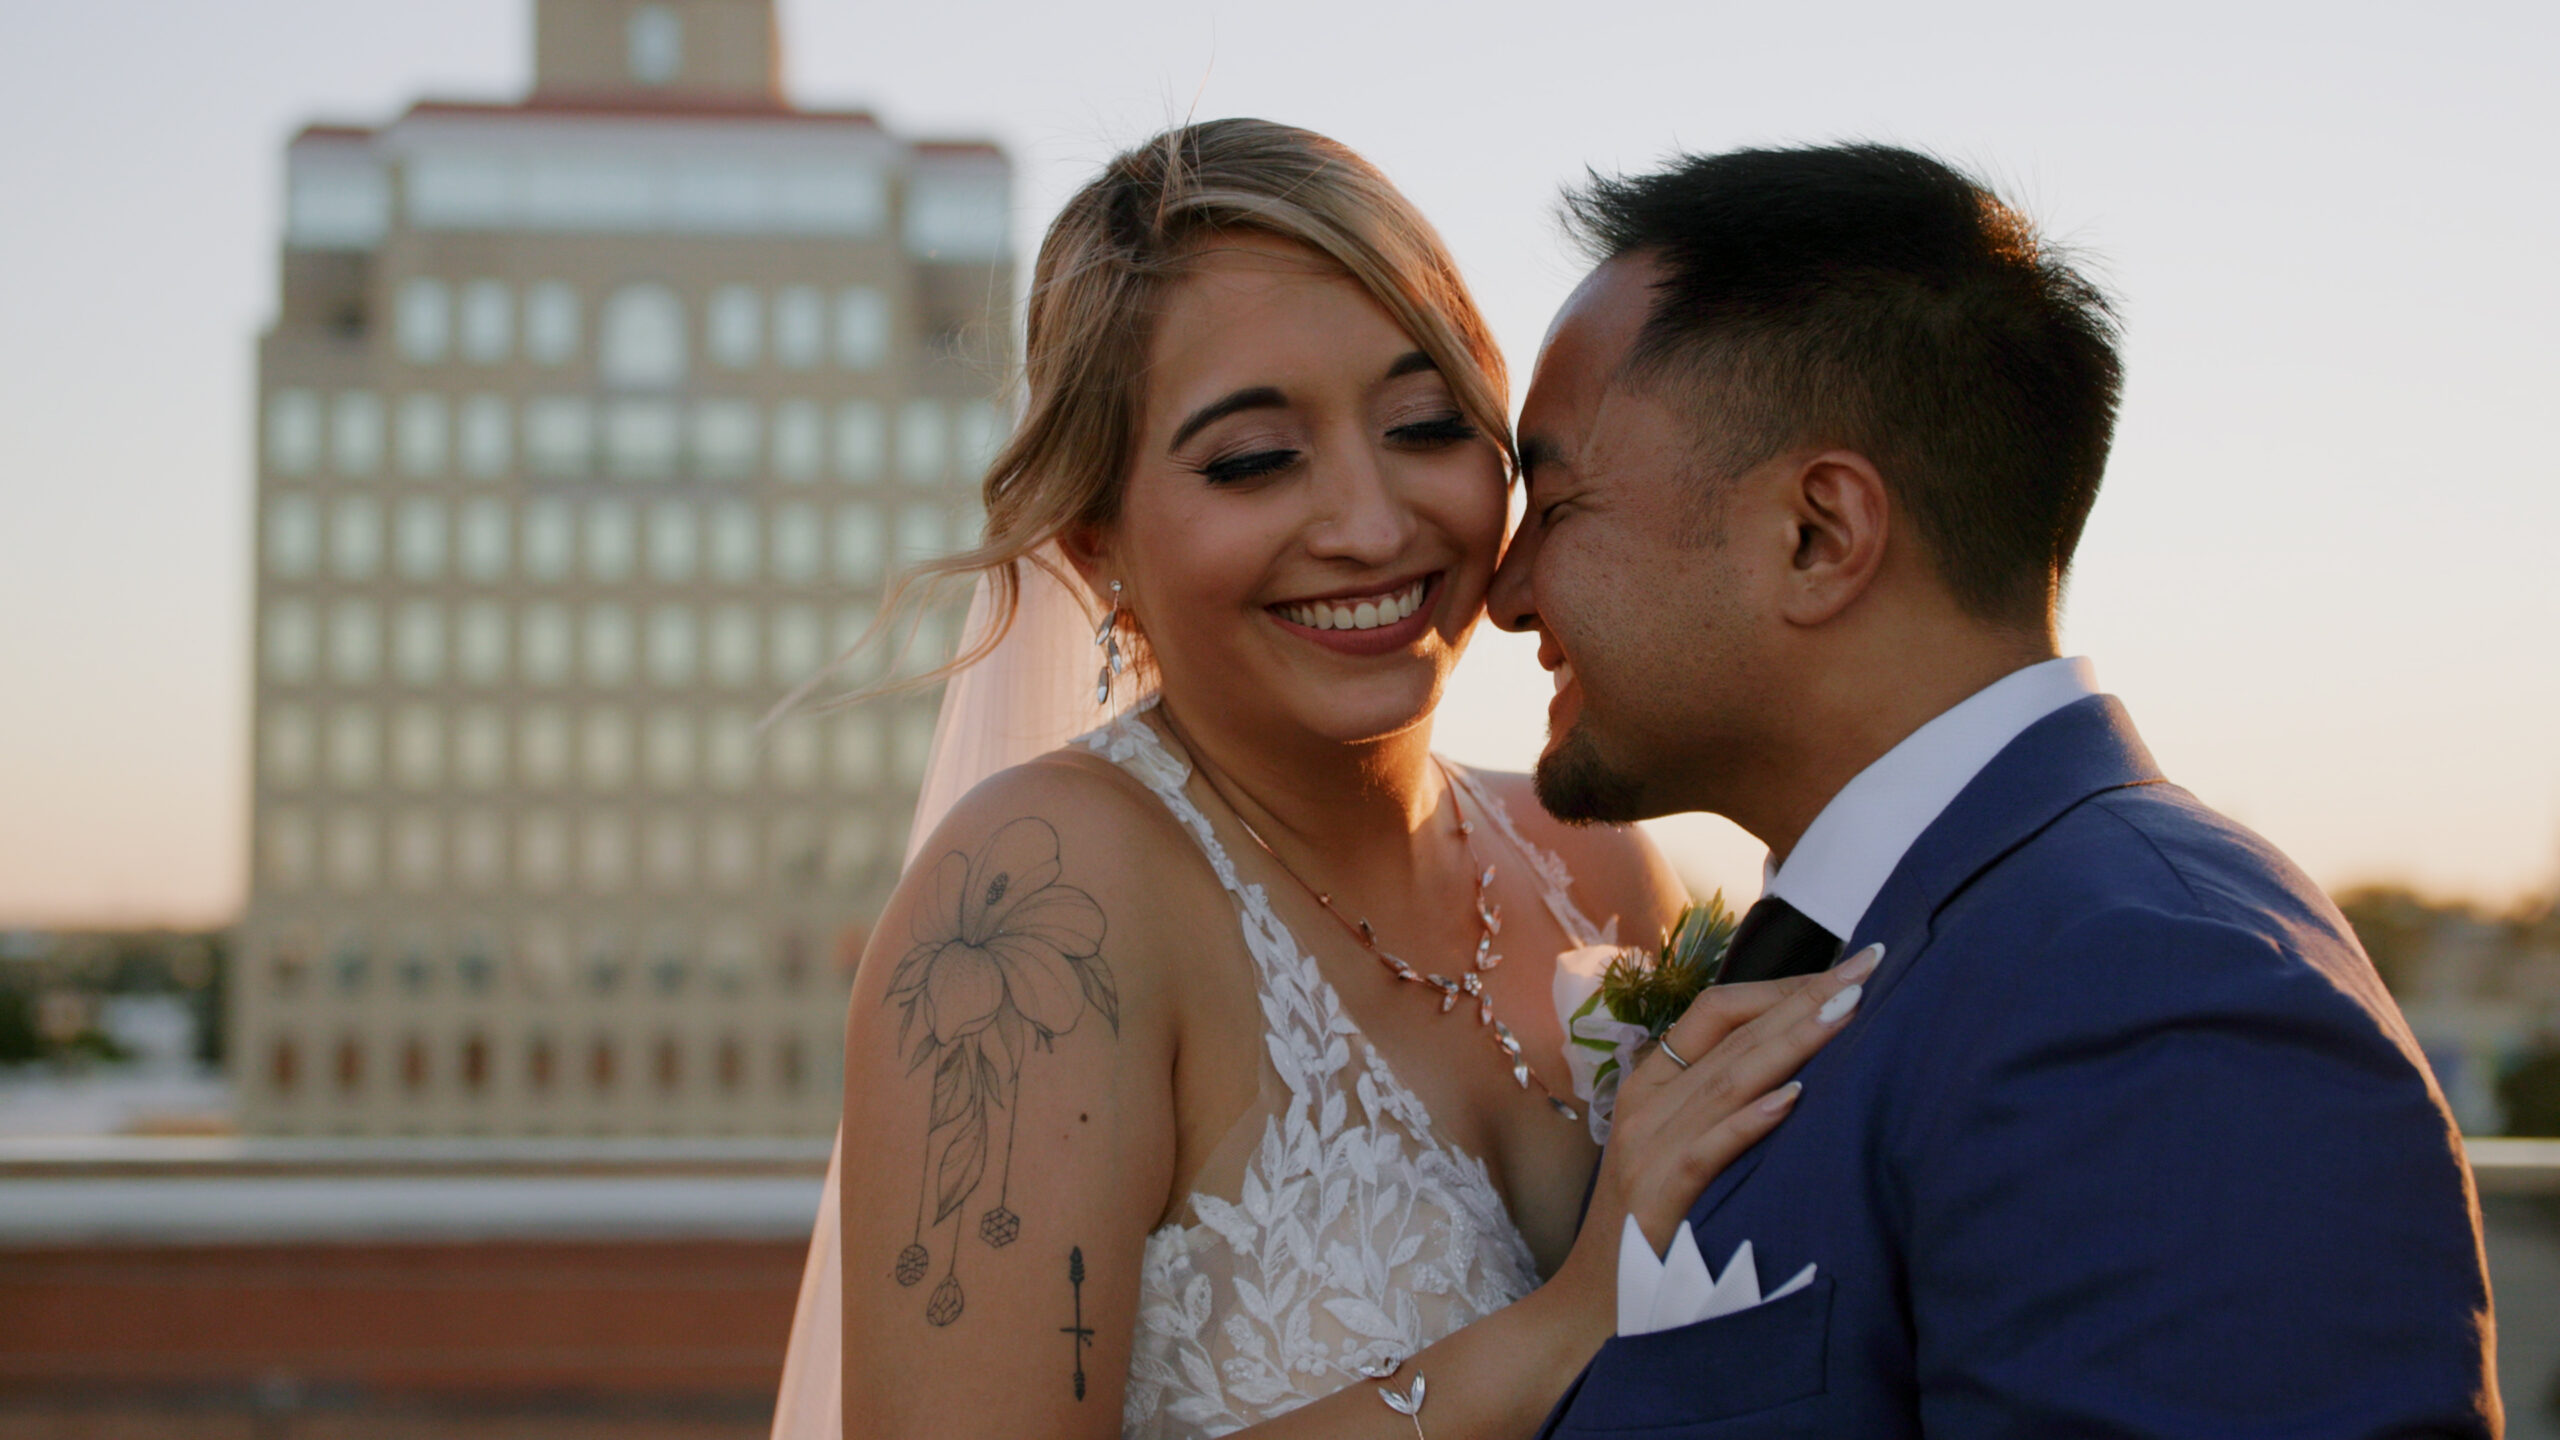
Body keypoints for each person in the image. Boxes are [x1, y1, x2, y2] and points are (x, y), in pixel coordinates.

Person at [768, 119, 1867, 1440]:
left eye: (1424, 425)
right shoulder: (1046, 901)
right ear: (1097, 534)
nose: (1370, 524)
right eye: (1252, 460)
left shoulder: (1601, 862)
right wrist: (1571, 1318)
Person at [1490, 143, 2501, 1436]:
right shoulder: (1900, 949)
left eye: (1557, 504)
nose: (1505, 591)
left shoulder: (2160, 996)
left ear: (1818, 536)